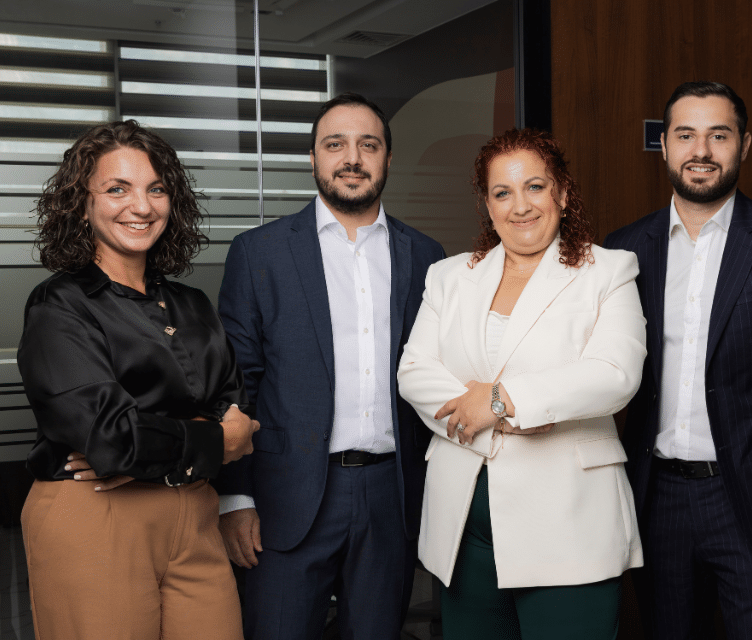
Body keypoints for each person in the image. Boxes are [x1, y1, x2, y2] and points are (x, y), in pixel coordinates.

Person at [397, 128, 647, 639]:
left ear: (562, 193)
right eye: (502, 192)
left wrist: (501, 400)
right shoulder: (448, 277)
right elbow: (414, 372)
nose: (520, 206)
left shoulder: (608, 271)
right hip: (465, 525)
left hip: (569, 524)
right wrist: (501, 418)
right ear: (487, 206)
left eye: (535, 187)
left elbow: (614, 374)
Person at [214, 92, 445, 640]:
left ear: (387, 157)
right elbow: (236, 383)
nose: (352, 159)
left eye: (369, 145)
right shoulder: (259, 252)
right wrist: (235, 497)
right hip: (283, 496)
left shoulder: (427, 257)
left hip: (390, 494)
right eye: (335, 144)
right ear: (314, 157)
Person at [17, 120, 260, 640]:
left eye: (156, 189)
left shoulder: (192, 304)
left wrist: (151, 449)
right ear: (82, 204)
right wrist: (213, 440)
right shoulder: (59, 305)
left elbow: (236, 411)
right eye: (117, 189)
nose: (142, 206)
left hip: (196, 516)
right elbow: (112, 441)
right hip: (95, 514)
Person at [605, 81, 752, 639]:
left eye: (719, 135)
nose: (701, 151)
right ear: (665, 145)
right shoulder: (623, 251)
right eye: (686, 135)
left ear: (745, 145)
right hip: (658, 498)